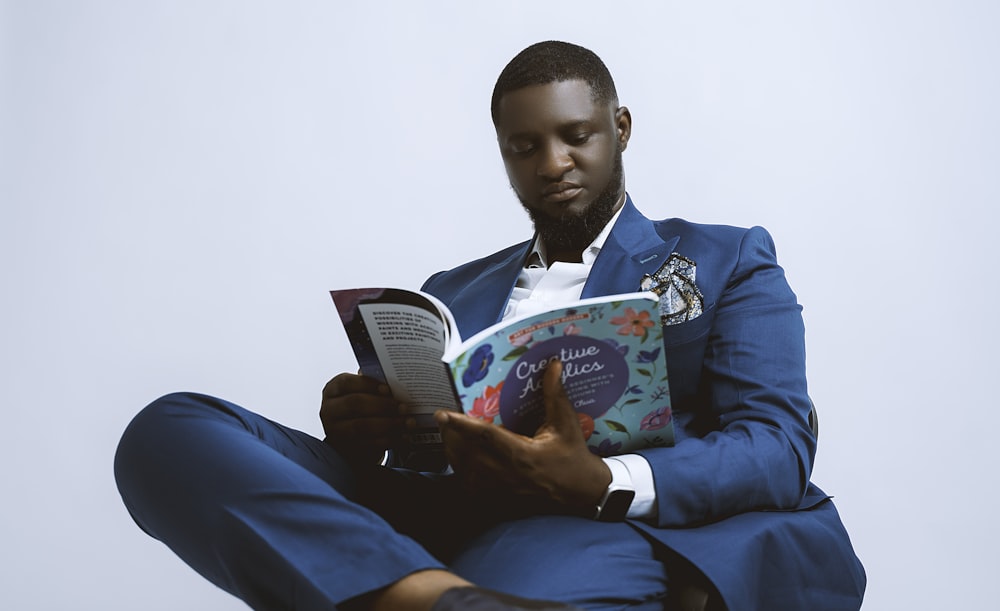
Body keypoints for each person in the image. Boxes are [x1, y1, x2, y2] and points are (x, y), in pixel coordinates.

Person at [115, 41, 866, 611]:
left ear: (621, 127)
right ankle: (431, 594)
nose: (553, 162)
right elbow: (419, 455)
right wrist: (368, 435)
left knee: (517, 568)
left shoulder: (725, 257)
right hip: (431, 516)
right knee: (170, 429)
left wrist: (603, 480)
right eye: (524, 146)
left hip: (586, 522)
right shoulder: (450, 290)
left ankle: (396, 587)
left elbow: (776, 442)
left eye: (576, 135)